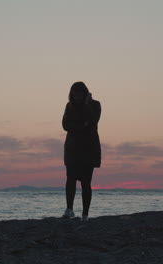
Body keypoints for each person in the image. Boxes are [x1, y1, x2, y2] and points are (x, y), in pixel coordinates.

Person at [62, 81, 101, 221]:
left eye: (80, 95)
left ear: (85, 94)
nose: (77, 97)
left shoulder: (95, 105)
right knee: (70, 179)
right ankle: (69, 209)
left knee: (86, 182)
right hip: (72, 148)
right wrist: (81, 125)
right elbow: (65, 125)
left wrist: (86, 105)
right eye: (75, 94)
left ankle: (85, 214)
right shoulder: (69, 106)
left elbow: (92, 120)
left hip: (88, 149)